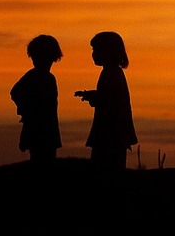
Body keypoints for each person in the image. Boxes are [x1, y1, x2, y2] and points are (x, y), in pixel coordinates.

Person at [75, 31, 138, 171]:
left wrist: (92, 97)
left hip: (111, 133)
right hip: (113, 133)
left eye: (96, 50)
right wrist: (90, 95)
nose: (93, 54)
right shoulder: (112, 72)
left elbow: (109, 100)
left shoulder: (111, 73)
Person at [10, 34, 63, 166]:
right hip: (42, 129)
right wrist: (27, 110)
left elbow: (15, 92)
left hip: (43, 128)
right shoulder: (40, 77)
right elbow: (15, 92)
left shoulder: (43, 77)